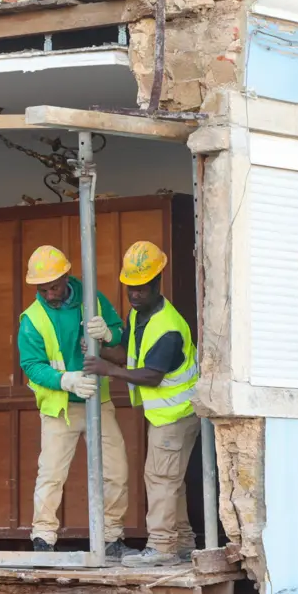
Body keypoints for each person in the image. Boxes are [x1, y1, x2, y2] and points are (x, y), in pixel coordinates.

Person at [84, 240, 199, 567]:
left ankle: (162, 547)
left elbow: (151, 375)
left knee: (161, 479)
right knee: (169, 480)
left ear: (156, 284)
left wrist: (109, 370)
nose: (134, 294)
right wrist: (101, 349)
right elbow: (129, 355)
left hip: (176, 415)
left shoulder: (168, 328)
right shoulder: (140, 315)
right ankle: (184, 541)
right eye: (129, 288)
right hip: (166, 414)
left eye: (141, 288)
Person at [19, 245, 134, 561]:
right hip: (60, 406)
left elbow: (120, 332)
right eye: (42, 289)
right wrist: (65, 380)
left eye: (53, 286)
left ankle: (111, 538)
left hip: (98, 400)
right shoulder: (32, 319)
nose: (49, 293)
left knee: (116, 470)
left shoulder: (91, 297)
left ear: (66, 276)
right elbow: (31, 364)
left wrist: (108, 334)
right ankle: (43, 538)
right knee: (52, 473)